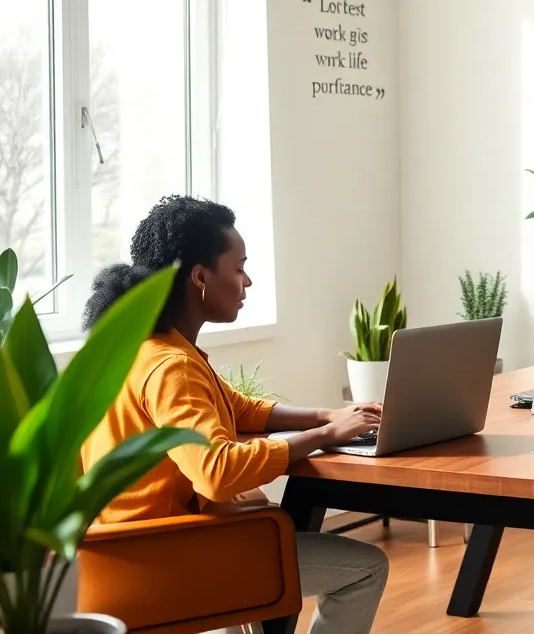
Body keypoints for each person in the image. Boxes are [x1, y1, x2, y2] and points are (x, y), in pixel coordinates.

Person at [80, 196, 390, 634]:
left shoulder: (145, 347)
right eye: (239, 267)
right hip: (166, 558)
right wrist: (325, 436)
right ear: (201, 277)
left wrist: (328, 415)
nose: (248, 281)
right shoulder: (173, 367)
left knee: (246, 517)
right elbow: (216, 472)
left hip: (121, 557)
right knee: (366, 567)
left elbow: (239, 408)